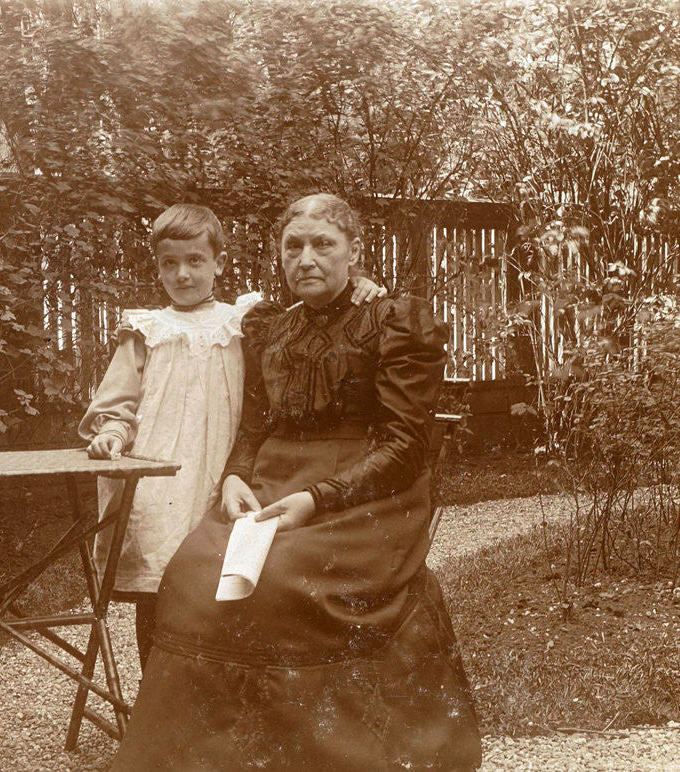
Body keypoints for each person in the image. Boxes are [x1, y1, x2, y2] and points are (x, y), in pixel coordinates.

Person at [111, 194, 483, 770]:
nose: (306, 258)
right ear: (279, 257)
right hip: (272, 480)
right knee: (192, 571)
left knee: (282, 577)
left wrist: (316, 500)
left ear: (354, 252)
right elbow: (257, 420)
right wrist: (236, 474)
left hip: (368, 489)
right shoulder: (271, 328)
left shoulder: (395, 321)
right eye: (293, 246)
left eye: (323, 245)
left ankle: (315, 754)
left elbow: (406, 446)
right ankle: (215, 755)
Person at [79, 203, 386, 670]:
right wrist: (114, 432)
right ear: (157, 266)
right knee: (159, 581)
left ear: (219, 263)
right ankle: (156, 696)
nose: (182, 274)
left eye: (195, 261)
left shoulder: (244, 320)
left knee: (219, 577)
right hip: (161, 473)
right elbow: (116, 401)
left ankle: (211, 691)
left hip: (224, 466)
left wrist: (363, 283)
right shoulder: (145, 329)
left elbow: (314, 318)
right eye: (169, 263)